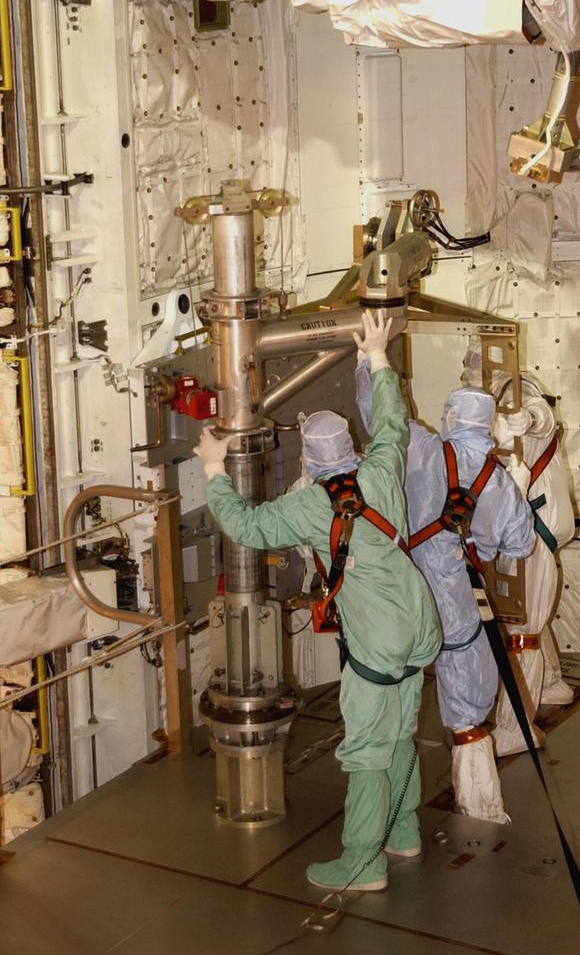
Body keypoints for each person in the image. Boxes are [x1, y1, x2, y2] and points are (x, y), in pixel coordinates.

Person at [194, 309, 442, 893]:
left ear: (309, 457)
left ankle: (362, 864)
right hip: (418, 624)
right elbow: (392, 424)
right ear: (349, 450)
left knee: (365, 752)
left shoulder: (307, 507)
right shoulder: (380, 470)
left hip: (377, 645)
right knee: (400, 732)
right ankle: (403, 833)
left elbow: (245, 526)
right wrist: (377, 357)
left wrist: (211, 468)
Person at [356, 362, 534, 824]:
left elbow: (380, 415)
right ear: (488, 424)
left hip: (403, 590)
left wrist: (370, 360)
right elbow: (521, 544)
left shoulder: (423, 449)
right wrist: (484, 537)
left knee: (392, 686)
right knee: (468, 698)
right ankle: (478, 800)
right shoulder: (497, 481)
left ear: (451, 419)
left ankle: (388, 804)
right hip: (458, 596)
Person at [461, 362, 576, 755]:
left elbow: (539, 416)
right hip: (535, 528)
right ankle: (550, 682)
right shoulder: (496, 397)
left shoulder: (511, 390)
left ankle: (514, 726)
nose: (464, 370)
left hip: (526, 533)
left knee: (521, 629)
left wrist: (523, 418)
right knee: (534, 613)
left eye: (467, 362)